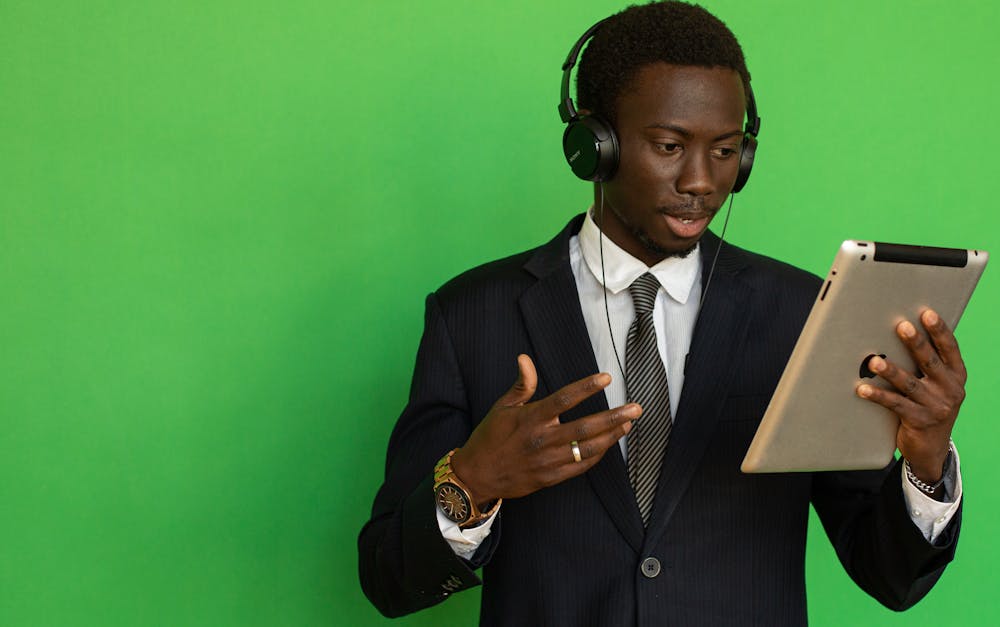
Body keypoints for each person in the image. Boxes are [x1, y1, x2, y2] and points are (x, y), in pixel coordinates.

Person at [359, 3, 967, 625]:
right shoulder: (470, 315)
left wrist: (926, 460)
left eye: (725, 150)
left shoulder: (799, 313)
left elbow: (890, 575)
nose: (701, 181)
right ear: (595, 146)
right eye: (670, 146)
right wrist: (471, 482)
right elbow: (388, 579)